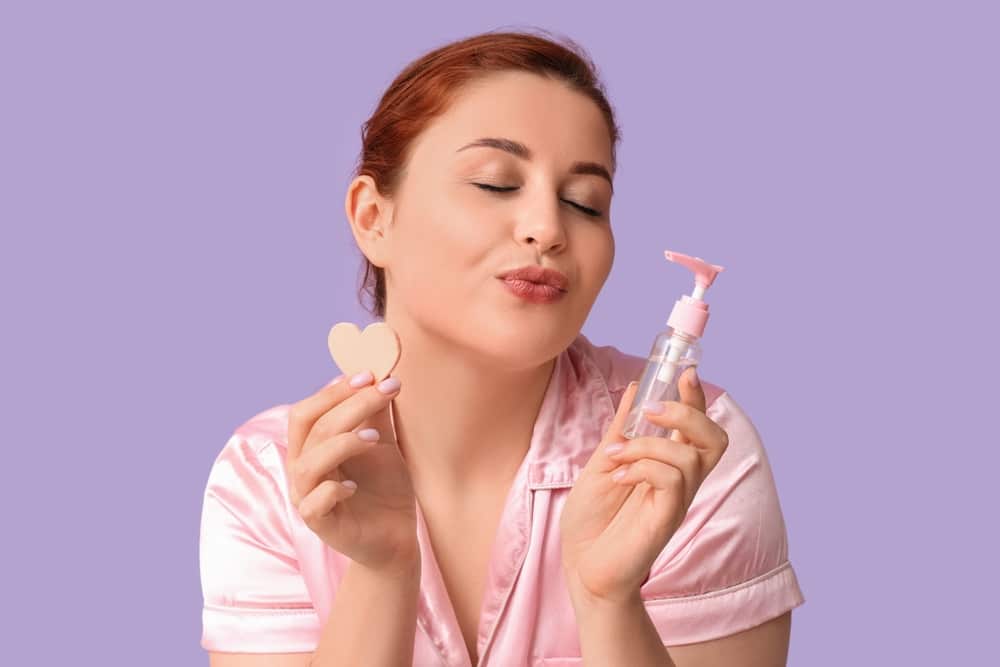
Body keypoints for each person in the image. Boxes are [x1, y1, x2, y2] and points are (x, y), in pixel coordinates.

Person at [199, 28, 805, 666]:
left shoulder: (688, 450)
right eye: (494, 183)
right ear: (374, 218)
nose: (547, 227)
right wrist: (381, 575)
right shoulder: (269, 477)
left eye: (585, 202)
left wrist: (607, 600)